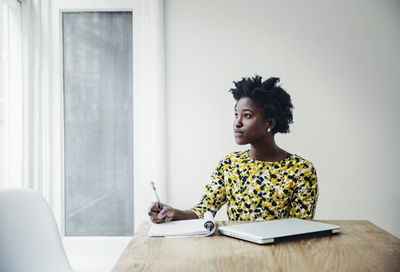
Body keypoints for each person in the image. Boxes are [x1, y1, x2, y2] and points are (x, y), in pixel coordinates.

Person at [148, 75, 318, 223]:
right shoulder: (230, 164)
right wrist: (172, 213)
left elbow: (301, 228)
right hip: (237, 254)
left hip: (281, 257)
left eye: (247, 115)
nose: (237, 122)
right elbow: (203, 211)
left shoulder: (302, 171)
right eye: (236, 115)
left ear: (270, 123)